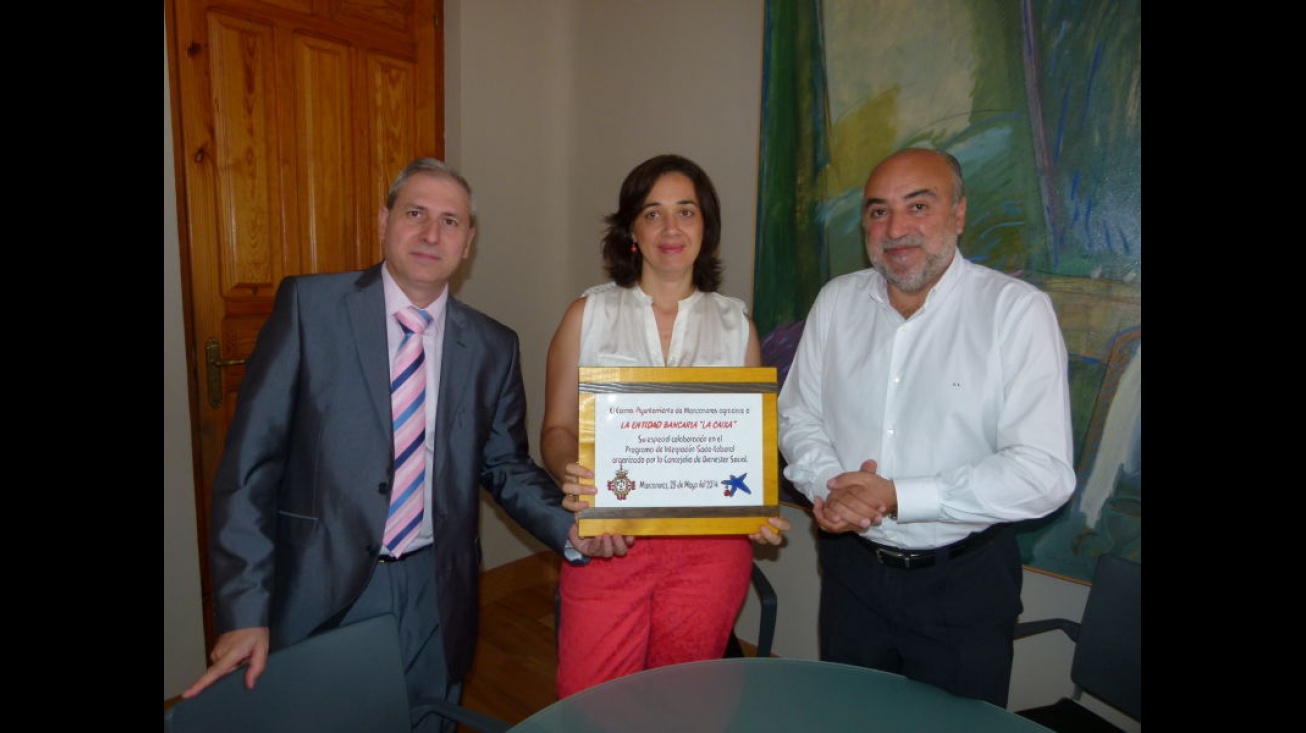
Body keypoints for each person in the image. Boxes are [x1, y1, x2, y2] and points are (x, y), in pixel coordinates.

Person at [180, 158, 618, 731]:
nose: (431, 234)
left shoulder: (493, 346)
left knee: (425, 717)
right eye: (415, 214)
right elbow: (248, 470)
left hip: (437, 589)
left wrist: (571, 527)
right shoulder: (310, 309)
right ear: (384, 221)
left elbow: (504, 465)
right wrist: (243, 610)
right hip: (321, 584)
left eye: (451, 221)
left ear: (469, 243)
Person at [776, 147, 1075, 707]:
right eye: (878, 211)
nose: (895, 228)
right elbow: (798, 415)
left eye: (919, 205)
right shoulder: (837, 302)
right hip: (852, 573)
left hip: (961, 585)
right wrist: (831, 488)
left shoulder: (1016, 312)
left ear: (958, 214)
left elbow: (1044, 473)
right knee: (849, 718)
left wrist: (897, 497)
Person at [541, 153, 790, 698]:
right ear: (632, 229)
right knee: (591, 702)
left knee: (684, 703)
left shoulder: (735, 325)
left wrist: (755, 504)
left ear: (706, 227)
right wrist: (572, 475)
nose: (671, 228)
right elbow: (557, 429)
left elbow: (745, 447)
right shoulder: (588, 314)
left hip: (709, 553)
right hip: (609, 538)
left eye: (687, 211)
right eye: (653, 214)